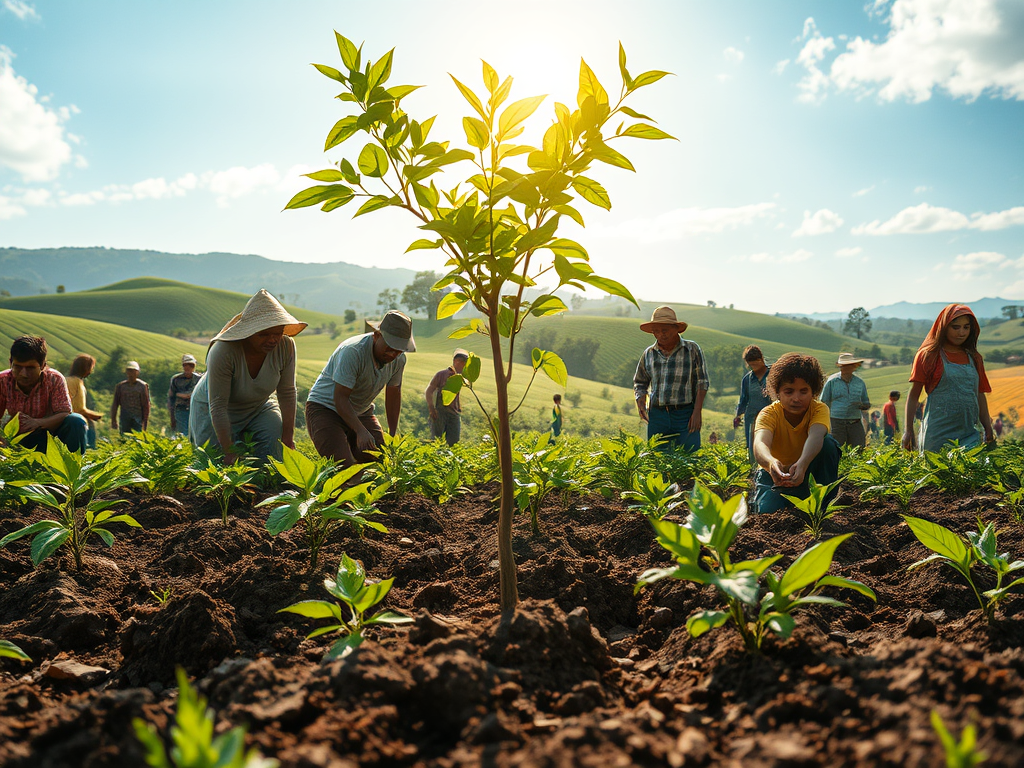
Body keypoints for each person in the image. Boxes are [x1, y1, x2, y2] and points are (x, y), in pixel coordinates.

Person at [190, 289, 306, 464]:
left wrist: (288, 438)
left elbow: (287, 392)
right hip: (213, 409)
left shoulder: (286, 346)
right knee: (214, 464)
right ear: (248, 332)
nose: (273, 340)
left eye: (278, 332)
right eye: (264, 334)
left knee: (271, 457)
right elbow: (218, 405)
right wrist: (228, 450)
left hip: (258, 406)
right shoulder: (224, 350)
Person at [305, 310, 414, 466]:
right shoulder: (353, 351)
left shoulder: (399, 360)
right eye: (390, 347)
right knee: (344, 467)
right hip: (326, 409)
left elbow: (394, 394)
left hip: (361, 411)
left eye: (399, 350)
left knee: (380, 462)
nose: (393, 354)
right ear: (377, 336)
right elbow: (340, 398)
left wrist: (391, 434)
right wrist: (360, 431)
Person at [752, 352, 840, 515]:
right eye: (789, 391)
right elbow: (760, 444)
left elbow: (816, 436)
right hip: (773, 475)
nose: (796, 398)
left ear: (813, 391)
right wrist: (771, 464)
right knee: (768, 514)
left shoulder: (818, 409)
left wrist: (802, 464)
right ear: (777, 391)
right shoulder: (769, 414)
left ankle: (822, 506)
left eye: (803, 391)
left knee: (828, 444)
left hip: (806, 472)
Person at [903, 304, 993, 453]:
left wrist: (988, 427)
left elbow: (979, 394)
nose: (961, 333)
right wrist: (908, 430)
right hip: (937, 433)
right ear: (944, 327)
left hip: (969, 432)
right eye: (955, 327)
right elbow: (914, 395)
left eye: (966, 327)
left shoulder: (974, 358)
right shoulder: (929, 356)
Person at [634, 306, 709, 451]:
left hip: (685, 413)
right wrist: (640, 400)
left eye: (665, 330)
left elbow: (702, 382)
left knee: (689, 457)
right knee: (657, 459)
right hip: (657, 414)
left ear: (676, 329)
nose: (660, 334)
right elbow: (640, 382)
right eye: (656, 331)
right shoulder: (649, 354)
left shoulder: (691, 349)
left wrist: (697, 411)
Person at [0, 336, 87, 453]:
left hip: (51, 434)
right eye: (18, 367)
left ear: (42, 365)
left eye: (30, 368)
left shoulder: (54, 379)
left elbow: (64, 413)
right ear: (11, 363)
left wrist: (37, 423)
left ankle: (71, 467)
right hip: (20, 437)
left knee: (76, 421)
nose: (24, 374)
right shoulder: (3, 381)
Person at [820, 353, 870, 448]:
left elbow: (866, 403)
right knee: (836, 448)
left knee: (859, 448)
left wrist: (861, 406)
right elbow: (824, 402)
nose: (846, 369)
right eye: (844, 366)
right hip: (836, 421)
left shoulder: (859, 383)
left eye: (849, 366)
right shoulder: (832, 381)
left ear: (854, 367)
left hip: (855, 421)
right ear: (840, 367)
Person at [733, 345, 771, 462]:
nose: (753, 367)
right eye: (751, 365)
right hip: (752, 417)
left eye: (756, 363)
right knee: (752, 445)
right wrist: (738, 415)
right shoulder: (747, 379)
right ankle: (753, 471)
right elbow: (743, 399)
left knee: (769, 444)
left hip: (770, 417)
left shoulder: (772, 375)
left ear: (762, 359)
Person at [424, 349, 468, 446]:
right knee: (437, 442)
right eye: (464, 363)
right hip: (440, 412)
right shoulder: (441, 375)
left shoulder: (460, 378)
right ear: (456, 361)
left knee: (454, 443)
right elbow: (429, 391)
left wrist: (459, 408)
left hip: (453, 414)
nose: (465, 367)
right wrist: (432, 409)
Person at [66, 353, 103, 449]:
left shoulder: (65, 379)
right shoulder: (78, 382)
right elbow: (80, 409)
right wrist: (98, 416)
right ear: (86, 369)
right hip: (76, 423)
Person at [111, 361, 150, 434]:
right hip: (125, 418)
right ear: (126, 372)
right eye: (129, 371)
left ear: (137, 372)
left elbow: (146, 405)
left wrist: (145, 422)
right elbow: (115, 404)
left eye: (133, 371)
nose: (131, 374)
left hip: (138, 418)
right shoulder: (121, 386)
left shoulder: (142, 386)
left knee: (137, 440)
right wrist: (113, 420)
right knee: (124, 439)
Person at [168, 353, 202, 436]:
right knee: (184, 434)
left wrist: (180, 394)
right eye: (186, 365)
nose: (188, 368)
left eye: (191, 365)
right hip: (181, 410)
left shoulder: (200, 379)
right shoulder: (176, 379)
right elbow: (171, 397)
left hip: (197, 411)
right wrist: (172, 415)